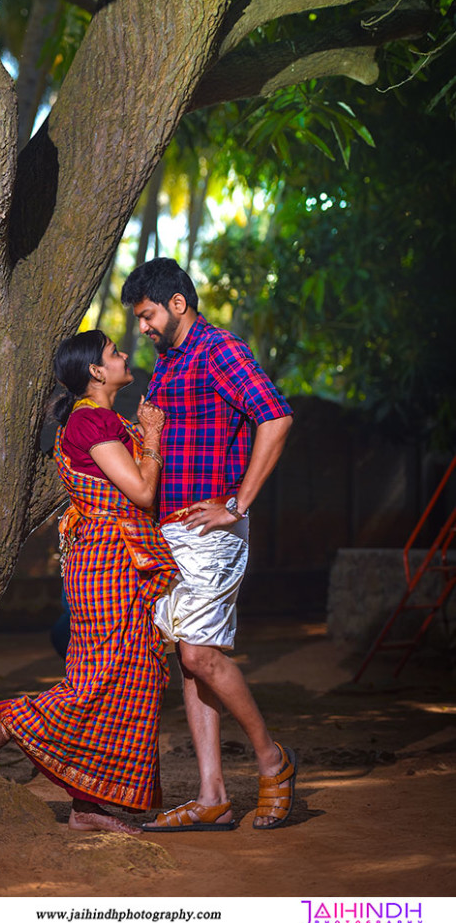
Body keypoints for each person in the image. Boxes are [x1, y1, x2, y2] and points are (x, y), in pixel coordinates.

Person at [121, 258, 296, 832]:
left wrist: (237, 504)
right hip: (170, 534)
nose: (141, 328)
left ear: (177, 303)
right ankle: (212, 795)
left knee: (199, 654)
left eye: (146, 314)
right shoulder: (165, 363)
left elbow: (275, 418)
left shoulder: (220, 349)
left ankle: (272, 761)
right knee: (190, 660)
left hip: (212, 529)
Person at [0, 330, 177, 835]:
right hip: (105, 567)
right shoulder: (90, 421)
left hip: (122, 565)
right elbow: (141, 492)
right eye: (114, 353)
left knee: (135, 682)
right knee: (101, 682)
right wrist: (152, 439)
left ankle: (88, 806)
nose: (124, 356)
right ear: (94, 371)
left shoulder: (104, 421)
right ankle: (11, 721)